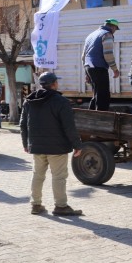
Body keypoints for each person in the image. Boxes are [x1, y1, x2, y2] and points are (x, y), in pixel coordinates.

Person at [20, 72, 83, 216]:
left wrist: (26, 143)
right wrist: (77, 145)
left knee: (38, 175)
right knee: (59, 177)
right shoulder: (61, 101)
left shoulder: (29, 101)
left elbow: (23, 124)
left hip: (36, 146)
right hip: (57, 147)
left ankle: (36, 205)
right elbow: (69, 127)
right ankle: (60, 206)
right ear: (54, 84)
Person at [81, 18, 121, 111]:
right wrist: (115, 69)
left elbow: (83, 56)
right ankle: (102, 117)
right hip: (99, 67)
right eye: (115, 29)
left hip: (89, 66)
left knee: (97, 93)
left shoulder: (91, 34)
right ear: (113, 27)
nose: (115, 31)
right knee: (103, 95)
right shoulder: (107, 34)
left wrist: (87, 73)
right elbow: (108, 54)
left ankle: (90, 115)